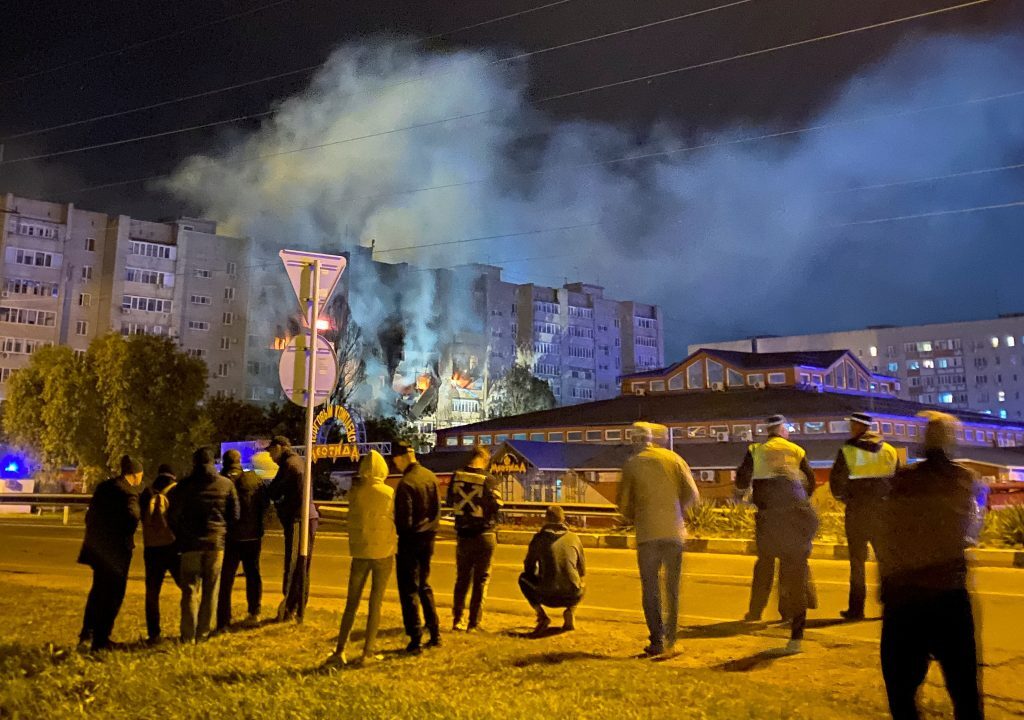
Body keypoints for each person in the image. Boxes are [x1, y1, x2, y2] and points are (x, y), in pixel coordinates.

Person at [877, 411, 984, 720]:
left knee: (901, 695)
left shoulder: (902, 481)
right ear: (951, 442)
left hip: (904, 599)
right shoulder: (964, 480)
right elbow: (970, 530)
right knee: (964, 693)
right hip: (948, 595)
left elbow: (887, 535)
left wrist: (886, 587)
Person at [735, 414, 819, 653]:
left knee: (765, 563)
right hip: (795, 513)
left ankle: (755, 611)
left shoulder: (756, 450)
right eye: (788, 428)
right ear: (782, 430)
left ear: (768, 431)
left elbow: (742, 476)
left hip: (769, 516)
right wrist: (802, 499)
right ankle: (789, 615)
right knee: (792, 566)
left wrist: (741, 494)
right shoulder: (796, 450)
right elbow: (811, 480)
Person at [617, 421, 699, 656]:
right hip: (674, 533)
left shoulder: (632, 464)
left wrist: (638, 514)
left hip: (647, 535)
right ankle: (672, 641)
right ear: (651, 438)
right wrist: (676, 510)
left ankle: (657, 641)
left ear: (634, 440)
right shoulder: (673, 459)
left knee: (651, 588)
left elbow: (623, 506)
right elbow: (693, 494)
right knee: (672, 589)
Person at [327, 450, 396, 666]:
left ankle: (340, 649)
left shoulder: (355, 493)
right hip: (383, 553)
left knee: (351, 603)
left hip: (359, 554)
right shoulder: (388, 493)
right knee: (375, 603)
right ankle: (367, 651)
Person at [829, 411, 900, 621]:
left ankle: (856, 610)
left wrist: (847, 499)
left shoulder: (848, 451)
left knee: (857, 562)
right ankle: (891, 606)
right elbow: (899, 481)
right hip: (884, 513)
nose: (850, 428)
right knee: (886, 561)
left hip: (857, 513)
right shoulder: (889, 450)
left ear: (860, 427)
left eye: (852, 425)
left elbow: (837, 483)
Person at [168, 447, 239, 644]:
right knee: (211, 590)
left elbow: (172, 515)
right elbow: (234, 516)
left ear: (194, 463)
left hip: (190, 544)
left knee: (190, 590)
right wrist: (222, 531)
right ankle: (203, 634)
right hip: (216, 544)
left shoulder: (183, 486)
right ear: (212, 462)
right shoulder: (226, 485)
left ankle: (187, 635)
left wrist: (181, 535)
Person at [77, 455, 144, 651]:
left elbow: (89, 516)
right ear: (133, 474)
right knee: (114, 594)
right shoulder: (128, 492)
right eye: (140, 475)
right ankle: (102, 639)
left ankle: (87, 634)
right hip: (116, 552)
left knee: (98, 592)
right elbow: (133, 517)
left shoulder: (104, 488)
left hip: (97, 549)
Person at [392, 440, 442, 652]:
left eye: (395, 461)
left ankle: (415, 638)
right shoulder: (430, 477)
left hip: (410, 541)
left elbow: (404, 521)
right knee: (424, 584)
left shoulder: (406, 484)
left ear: (402, 457)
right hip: (429, 538)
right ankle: (435, 632)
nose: (395, 466)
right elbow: (437, 510)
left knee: (409, 589)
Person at [448, 445, 502, 632]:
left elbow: (450, 501)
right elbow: (497, 505)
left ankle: (457, 620)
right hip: (484, 534)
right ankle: (474, 623)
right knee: (481, 580)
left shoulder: (456, 476)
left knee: (462, 579)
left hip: (463, 534)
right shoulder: (488, 479)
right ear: (483, 458)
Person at [266, 435, 318, 623]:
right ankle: (297, 608)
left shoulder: (289, 465)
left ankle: (290, 608)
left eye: (271, 451)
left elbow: (274, 490)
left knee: (294, 564)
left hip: (298, 519)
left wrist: (278, 504)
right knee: (302, 565)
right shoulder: (297, 462)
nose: (271, 457)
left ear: (280, 447)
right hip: (306, 517)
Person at [216, 449, 269, 631]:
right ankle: (254, 612)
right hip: (253, 536)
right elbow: (265, 504)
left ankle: (223, 620)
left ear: (224, 462)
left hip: (230, 537)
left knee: (226, 578)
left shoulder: (221, 480)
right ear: (240, 462)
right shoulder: (254, 478)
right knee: (253, 573)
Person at [519, 505, 586, 633]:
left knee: (523, 579)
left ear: (546, 519)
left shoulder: (538, 539)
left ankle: (542, 616)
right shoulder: (574, 538)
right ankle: (570, 611)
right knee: (582, 583)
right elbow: (582, 570)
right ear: (563, 519)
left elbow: (529, 568)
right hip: (572, 595)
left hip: (547, 596)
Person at [139, 463, 179, 645]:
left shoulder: (146, 493)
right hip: (172, 546)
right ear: (173, 475)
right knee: (188, 587)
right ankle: (191, 627)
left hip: (151, 548)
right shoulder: (175, 491)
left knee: (152, 592)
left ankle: (154, 634)